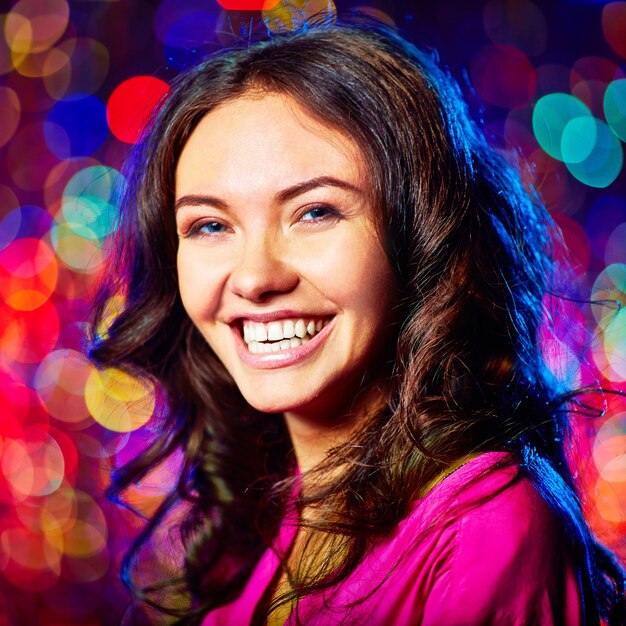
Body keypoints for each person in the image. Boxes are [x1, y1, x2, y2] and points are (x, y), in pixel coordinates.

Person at [88, 16, 626, 626]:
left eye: (314, 212)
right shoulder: (270, 516)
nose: (254, 278)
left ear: (421, 239)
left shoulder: (487, 530)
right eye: (210, 225)